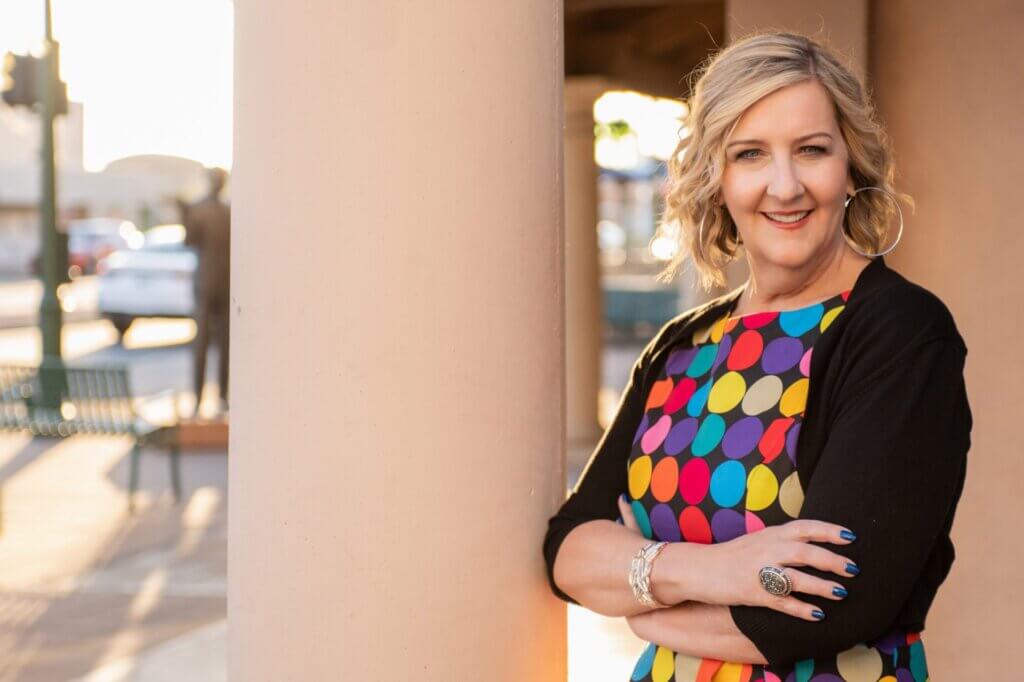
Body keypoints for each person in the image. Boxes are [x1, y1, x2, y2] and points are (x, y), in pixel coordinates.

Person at [542, 31, 972, 681]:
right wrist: (709, 570)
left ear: (851, 165)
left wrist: (644, 603)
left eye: (812, 150)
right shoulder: (681, 345)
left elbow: (841, 602)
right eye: (750, 154)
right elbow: (569, 548)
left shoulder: (898, 331)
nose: (784, 185)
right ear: (717, 179)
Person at [180, 167, 231, 417]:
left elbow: (189, 240)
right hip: (224, 283)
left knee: (203, 343)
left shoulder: (201, 210)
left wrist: (184, 213)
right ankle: (221, 397)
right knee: (222, 344)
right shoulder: (229, 211)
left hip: (207, 284)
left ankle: (201, 399)